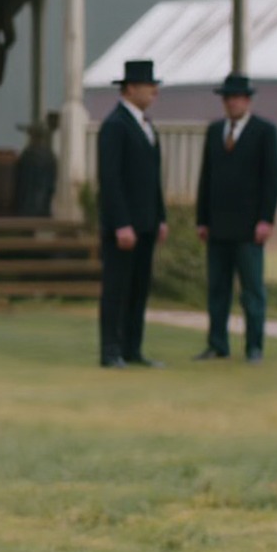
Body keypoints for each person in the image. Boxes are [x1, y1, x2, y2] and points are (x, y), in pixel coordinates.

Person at [194, 72, 277, 363]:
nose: (231, 104)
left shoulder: (264, 132)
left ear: (247, 100)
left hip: (248, 227)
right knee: (217, 289)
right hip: (218, 225)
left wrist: (266, 219)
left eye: (236, 98)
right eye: (227, 99)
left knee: (252, 291)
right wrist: (202, 219)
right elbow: (206, 177)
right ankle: (217, 343)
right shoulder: (215, 131)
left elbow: (272, 180)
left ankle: (254, 346)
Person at [95, 58, 168, 368]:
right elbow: (110, 179)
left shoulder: (147, 126)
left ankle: (132, 348)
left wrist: (160, 216)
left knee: (139, 288)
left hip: (147, 222)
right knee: (117, 288)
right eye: (149, 86)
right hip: (124, 226)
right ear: (131, 88)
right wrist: (122, 223)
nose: (154, 92)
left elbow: (153, 178)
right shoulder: (115, 126)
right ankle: (110, 350)